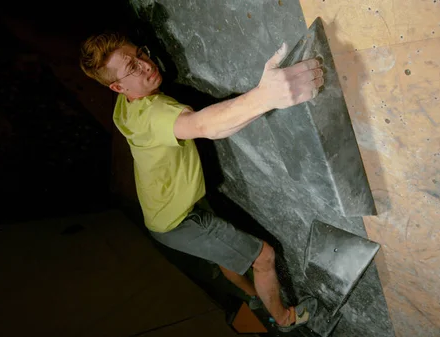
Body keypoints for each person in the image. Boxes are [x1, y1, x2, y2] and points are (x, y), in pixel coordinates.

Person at [79, 32, 324, 331]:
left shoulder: (124, 108)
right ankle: (286, 320)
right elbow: (203, 126)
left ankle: (254, 298)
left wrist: (262, 103)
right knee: (263, 256)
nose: (146, 65)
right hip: (178, 221)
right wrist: (264, 97)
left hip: (166, 209)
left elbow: (208, 126)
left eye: (140, 54)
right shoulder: (155, 113)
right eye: (132, 67)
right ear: (117, 86)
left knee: (224, 256)